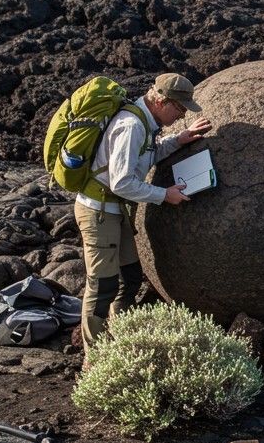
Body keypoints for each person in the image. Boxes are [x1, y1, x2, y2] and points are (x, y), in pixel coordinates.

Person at [75, 72, 212, 358]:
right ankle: (95, 358)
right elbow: (121, 183)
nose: (182, 115)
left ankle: (118, 337)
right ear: (161, 101)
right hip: (98, 212)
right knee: (102, 287)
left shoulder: (145, 123)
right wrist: (164, 195)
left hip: (116, 210)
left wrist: (178, 140)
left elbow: (146, 155)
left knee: (130, 278)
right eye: (180, 108)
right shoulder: (132, 126)